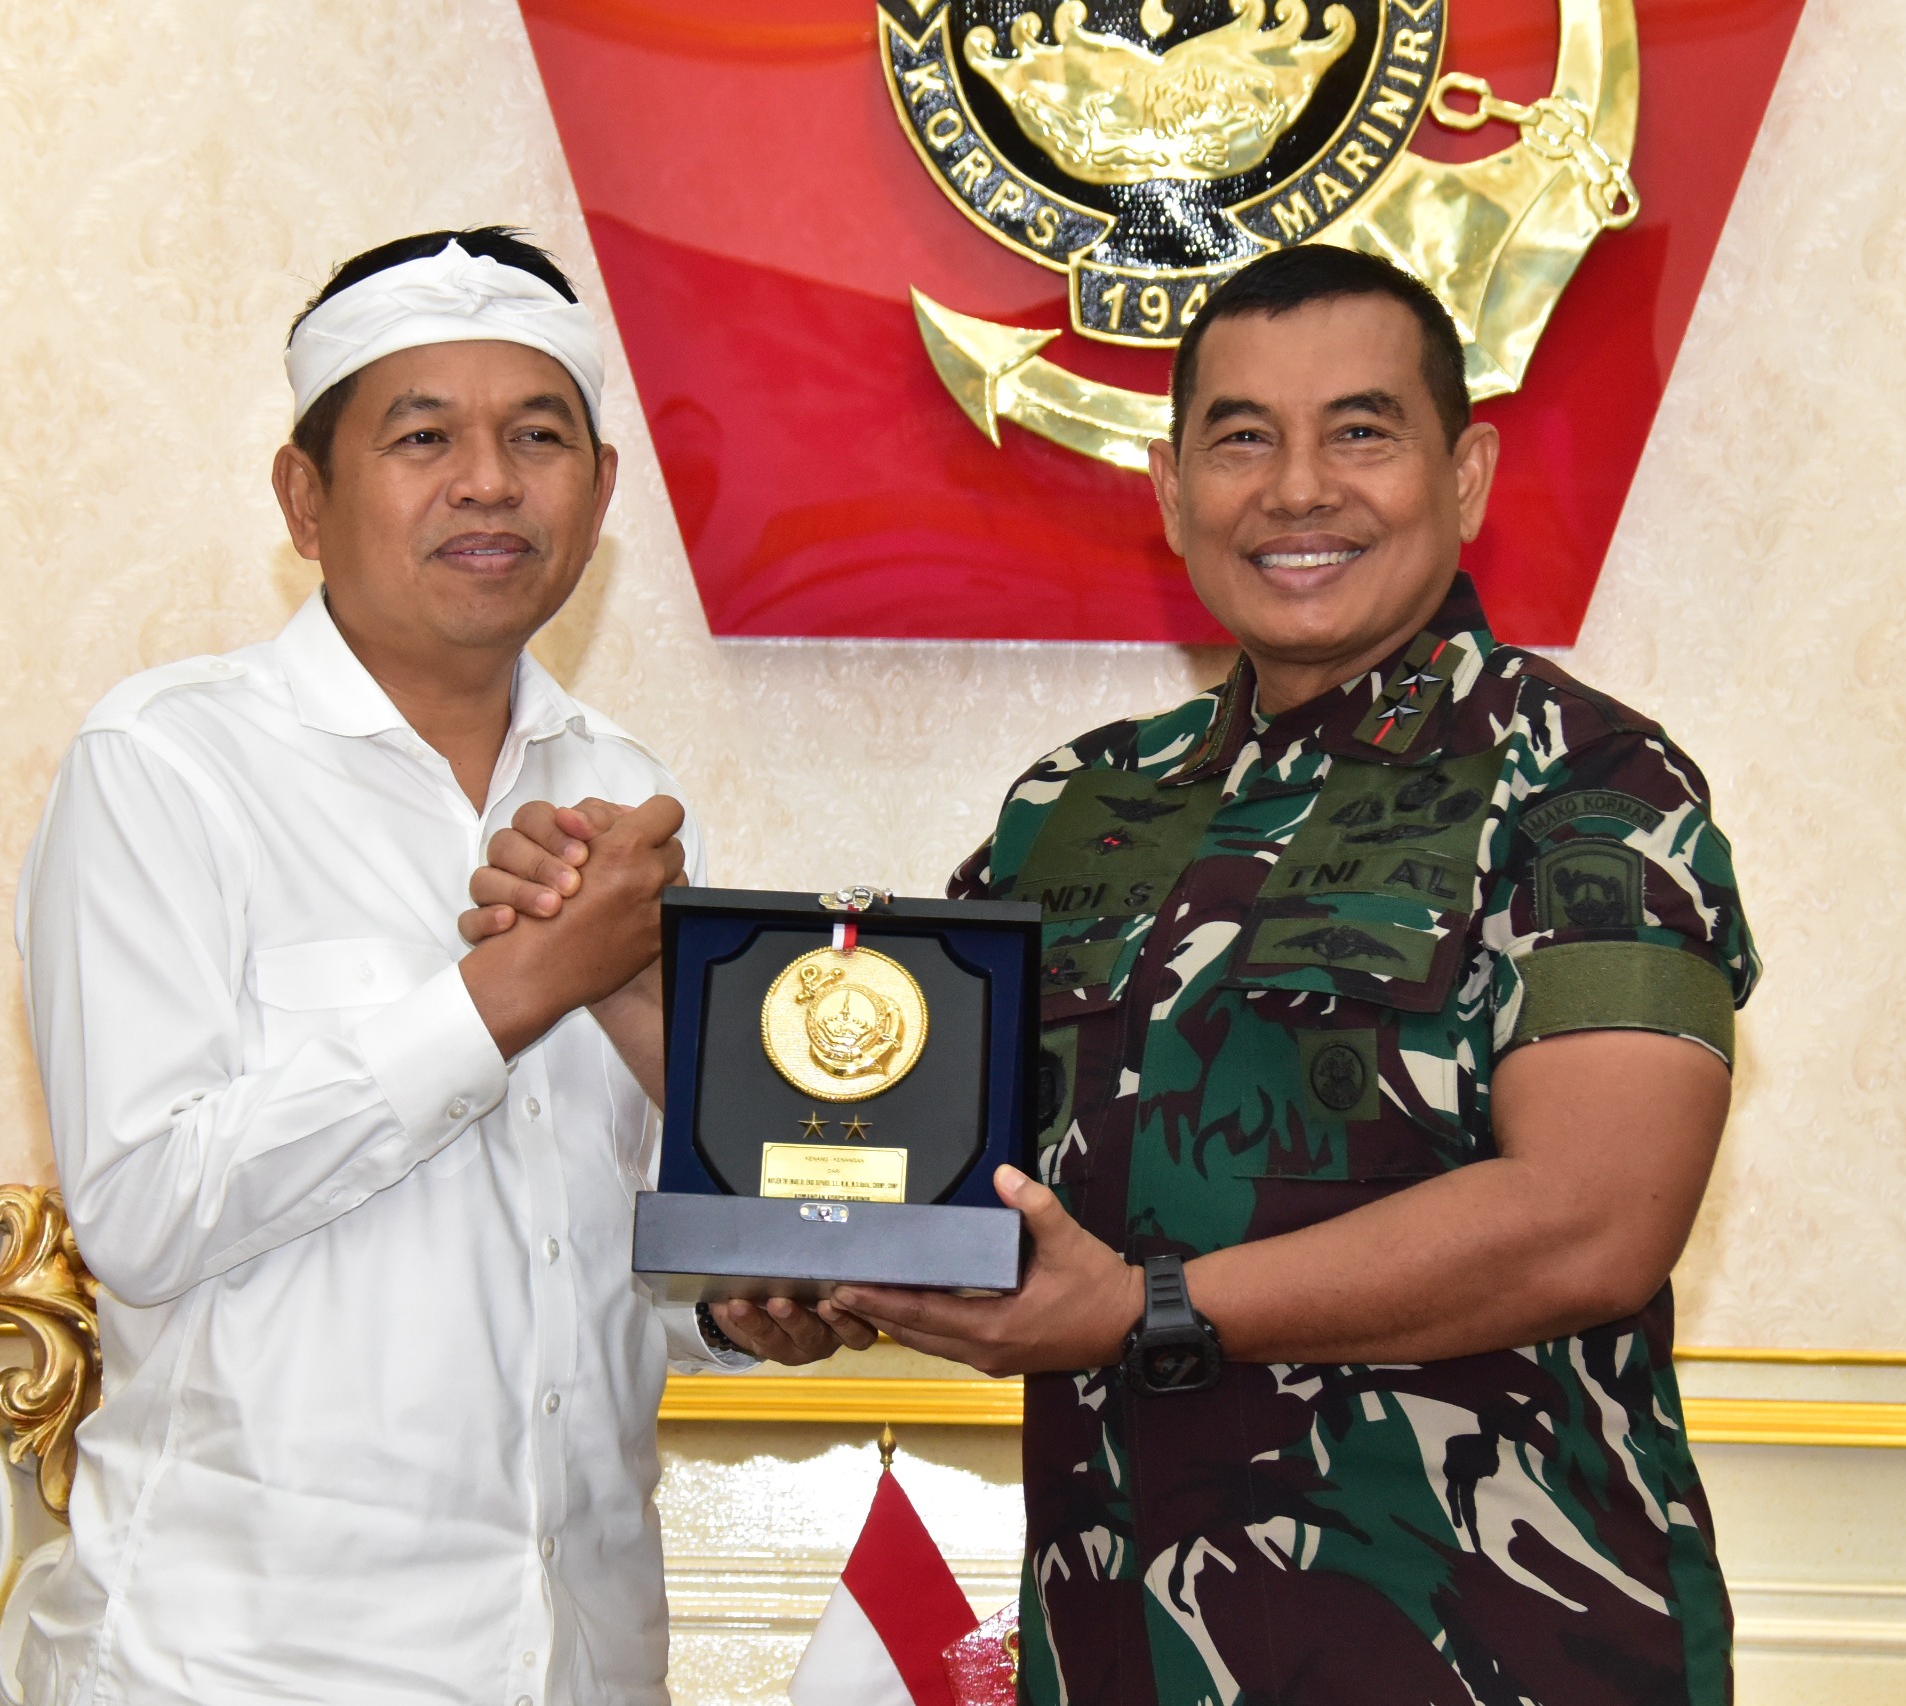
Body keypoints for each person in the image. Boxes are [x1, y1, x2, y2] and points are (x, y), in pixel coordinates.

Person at [471, 244, 1757, 1703]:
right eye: (1242, 439)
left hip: (1490, 1653)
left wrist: (1151, 1304)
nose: (1297, 489)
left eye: (1360, 431)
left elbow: (1593, 1219)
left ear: (1463, 476)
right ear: (1170, 490)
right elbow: (922, 1154)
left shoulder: (1587, 783)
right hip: (1118, 1654)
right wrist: (615, 972)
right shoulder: (1074, 808)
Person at [8, 227, 867, 1706]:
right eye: (422, 438)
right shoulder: (166, 762)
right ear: (304, 497)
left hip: (580, 1658)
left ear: (600, 490)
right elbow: (143, 1210)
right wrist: (515, 989)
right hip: (244, 1664)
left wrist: (726, 1307)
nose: (488, 482)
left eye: (537, 436)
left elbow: (588, 1250)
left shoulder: (624, 792)